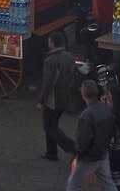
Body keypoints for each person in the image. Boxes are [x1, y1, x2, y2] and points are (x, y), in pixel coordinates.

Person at [40, 31, 79, 160]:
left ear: (52, 42)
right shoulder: (68, 56)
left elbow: (47, 83)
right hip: (65, 96)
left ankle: (72, 148)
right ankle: (51, 152)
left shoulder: (50, 61)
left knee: (49, 127)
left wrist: (41, 100)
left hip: (53, 99)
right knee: (52, 124)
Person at [70, 79, 114, 190]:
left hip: (90, 157)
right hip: (103, 153)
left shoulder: (86, 115)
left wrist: (78, 154)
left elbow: (83, 140)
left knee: (73, 184)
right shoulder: (105, 108)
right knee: (108, 182)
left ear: (83, 94)